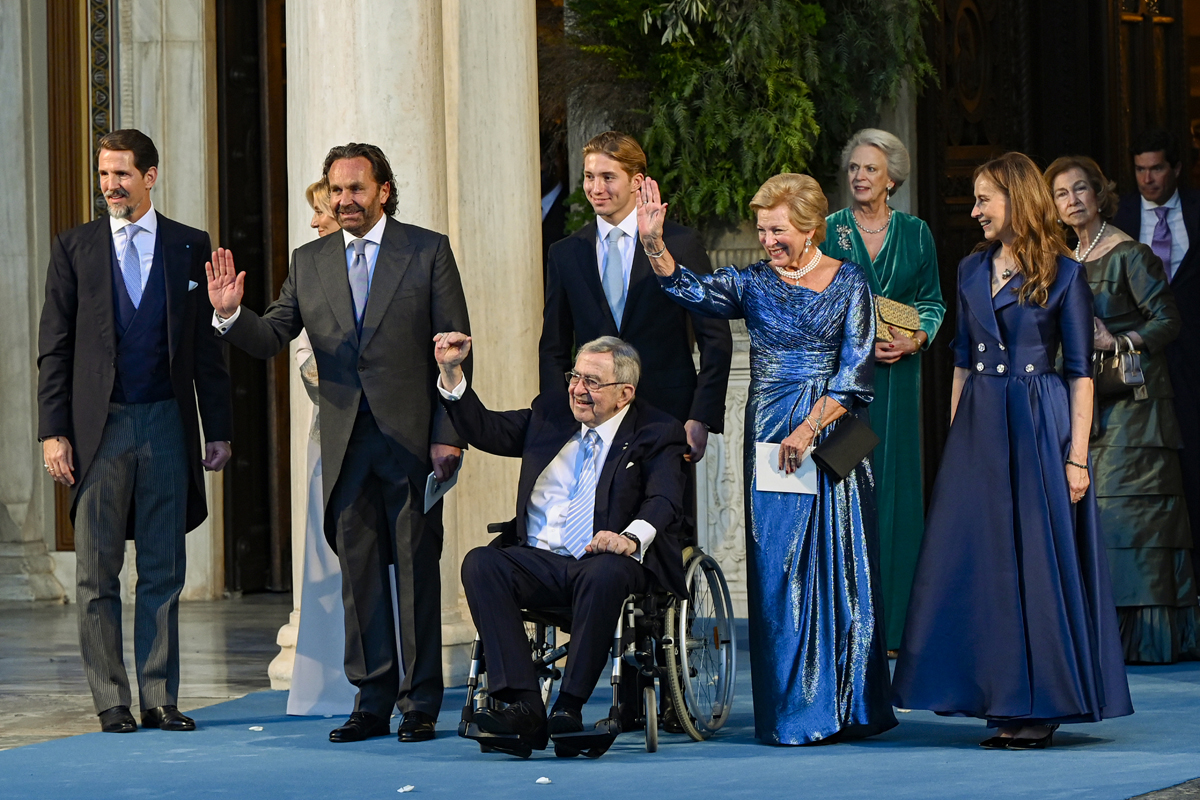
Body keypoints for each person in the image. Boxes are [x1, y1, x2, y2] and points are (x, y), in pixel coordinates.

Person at [206, 142, 472, 744]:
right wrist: (230, 315)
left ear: (383, 190)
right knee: (360, 579)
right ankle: (372, 698)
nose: (343, 199)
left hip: (411, 444)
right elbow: (272, 335)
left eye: (356, 188)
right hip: (346, 446)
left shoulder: (427, 251)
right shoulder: (310, 261)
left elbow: (455, 346)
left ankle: (420, 701)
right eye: (335, 189)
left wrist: (447, 435)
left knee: (416, 574)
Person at [640, 172, 895, 745]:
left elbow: (856, 372)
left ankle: (850, 706)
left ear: (810, 228)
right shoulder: (752, 281)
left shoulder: (850, 281)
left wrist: (809, 427)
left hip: (835, 429)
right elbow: (691, 291)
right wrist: (653, 242)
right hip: (771, 432)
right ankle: (794, 713)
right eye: (761, 229)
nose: (767, 240)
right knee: (780, 567)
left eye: (777, 229)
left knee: (845, 566)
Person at [894, 152, 1133, 749]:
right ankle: (998, 697)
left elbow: (1079, 372)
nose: (974, 211)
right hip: (979, 424)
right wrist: (957, 442)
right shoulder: (970, 268)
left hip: (1038, 419)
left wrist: (1078, 457)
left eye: (984, 200)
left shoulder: (1066, 273)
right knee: (984, 566)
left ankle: (1042, 704)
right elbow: (957, 361)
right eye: (974, 200)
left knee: (1036, 563)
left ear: (1016, 201)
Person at [37, 128, 233, 734]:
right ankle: (111, 700)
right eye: (103, 175)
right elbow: (55, 349)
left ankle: (159, 696)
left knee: (163, 569)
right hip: (101, 428)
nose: (110, 186)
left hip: (167, 424)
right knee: (96, 573)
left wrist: (217, 427)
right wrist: (53, 432)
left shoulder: (188, 245)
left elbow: (205, 350)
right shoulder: (75, 249)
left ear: (150, 176)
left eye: (121, 174)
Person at [435, 333, 688, 757]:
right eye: (575, 376)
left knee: (605, 571)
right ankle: (524, 708)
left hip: (604, 560)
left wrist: (628, 538)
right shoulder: (550, 412)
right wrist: (451, 372)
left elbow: (664, 499)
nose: (577, 389)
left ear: (625, 393)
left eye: (592, 381)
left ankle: (568, 708)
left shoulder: (657, 430)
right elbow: (487, 429)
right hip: (539, 558)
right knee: (481, 563)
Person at [1046, 155, 1200, 663]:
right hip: (1084, 399)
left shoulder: (1128, 253)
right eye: (1062, 193)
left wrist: (1119, 340)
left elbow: (1168, 320)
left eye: (1081, 189)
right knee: (1096, 512)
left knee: (1130, 515)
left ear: (1099, 193)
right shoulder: (1059, 259)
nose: (1072, 200)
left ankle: (1147, 639)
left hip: (1137, 406)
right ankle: (1101, 637)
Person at [539, 130, 732, 485]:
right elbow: (553, 346)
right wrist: (559, 419)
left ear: (636, 182)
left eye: (608, 177)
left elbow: (715, 338)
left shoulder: (679, 243)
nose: (596, 188)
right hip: (594, 424)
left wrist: (700, 417)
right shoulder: (565, 253)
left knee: (670, 533)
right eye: (589, 177)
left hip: (669, 419)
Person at [822, 129, 945, 654]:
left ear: (892, 178)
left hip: (898, 382)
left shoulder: (917, 233)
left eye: (870, 169)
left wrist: (916, 338)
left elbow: (934, 303)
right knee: (846, 484)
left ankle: (895, 628)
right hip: (847, 384)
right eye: (853, 168)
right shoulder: (829, 231)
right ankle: (849, 625)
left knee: (894, 494)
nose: (859, 176)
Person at [1113, 129, 1200, 581]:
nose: (1148, 179)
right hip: (1135, 364)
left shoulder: (1196, 211)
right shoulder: (1120, 217)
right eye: (1140, 169)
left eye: (1157, 168)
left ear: (1177, 169)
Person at [286, 179, 358, 715]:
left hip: (383, 440)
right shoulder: (308, 273)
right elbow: (309, 369)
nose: (315, 222)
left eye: (319, 212)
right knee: (324, 563)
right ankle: (330, 685)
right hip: (329, 439)